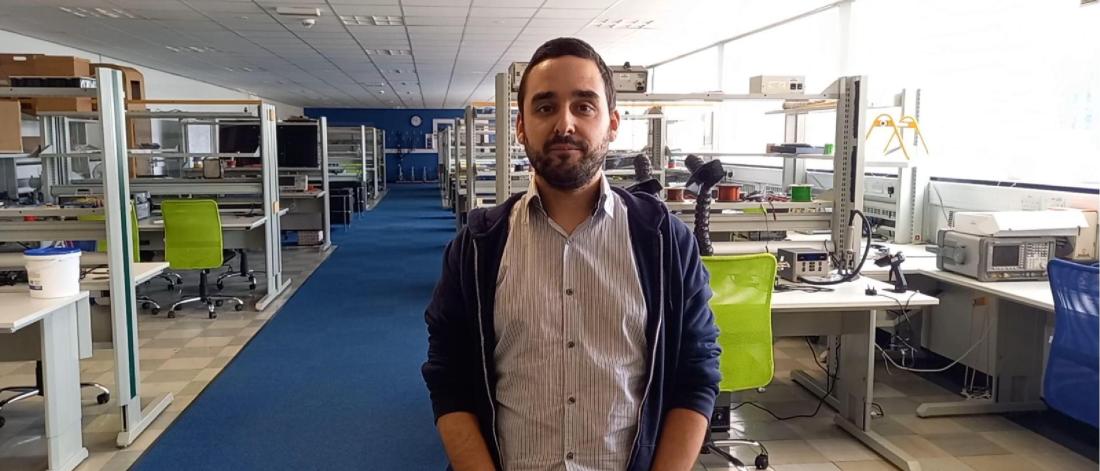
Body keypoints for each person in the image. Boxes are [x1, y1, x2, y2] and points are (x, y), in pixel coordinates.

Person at [422, 37, 720, 471]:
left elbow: (696, 373)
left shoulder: (664, 242)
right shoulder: (478, 246)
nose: (565, 124)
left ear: (612, 122)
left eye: (584, 106)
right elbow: (448, 377)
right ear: (521, 126)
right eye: (545, 107)